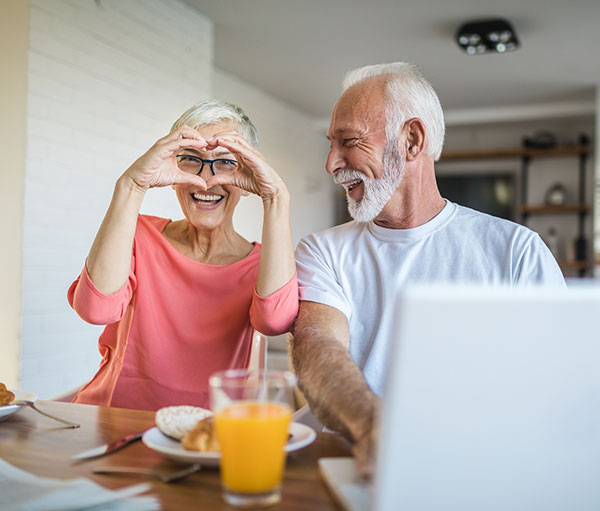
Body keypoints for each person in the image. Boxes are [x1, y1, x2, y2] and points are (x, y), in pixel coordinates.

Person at [291, 62, 565, 477]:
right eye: (331, 145)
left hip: (475, 466)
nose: (331, 163)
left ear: (412, 140)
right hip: (348, 462)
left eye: (348, 141)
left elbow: (555, 383)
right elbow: (317, 345)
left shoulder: (516, 251)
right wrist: (373, 428)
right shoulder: (323, 249)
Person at [68, 100, 298, 411]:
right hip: (113, 424)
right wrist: (131, 185)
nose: (207, 179)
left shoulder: (262, 265)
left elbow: (275, 321)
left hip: (207, 438)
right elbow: (95, 309)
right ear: (174, 170)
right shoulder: (138, 234)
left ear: (247, 177)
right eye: (191, 159)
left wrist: (276, 196)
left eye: (226, 162)